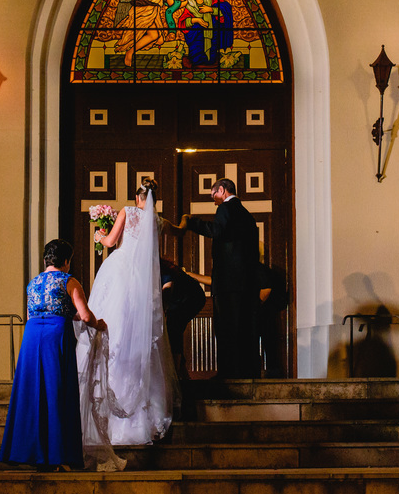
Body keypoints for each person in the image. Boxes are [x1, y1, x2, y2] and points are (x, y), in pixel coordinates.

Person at [75, 178, 174, 470]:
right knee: (137, 339)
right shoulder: (156, 222)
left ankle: (105, 415)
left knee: (113, 334)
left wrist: (100, 234)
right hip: (141, 282)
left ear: (137, 196)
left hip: (119, 275)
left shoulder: (128, 212)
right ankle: (141, 419)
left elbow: (109, 242)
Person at [0, 239, 104, 471]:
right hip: (56, 337)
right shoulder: (69, 280)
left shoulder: (33, 283)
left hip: (32, 336)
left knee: (32, 392)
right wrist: (100, 325)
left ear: (47, 260)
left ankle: (32, 454)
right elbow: (85, 316)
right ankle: (56, 456)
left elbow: (31, 315)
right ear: (66, 261)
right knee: (57, 392)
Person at [176, 178, 261, 378]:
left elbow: (217, 231)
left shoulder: (225, 208)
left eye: (213, 194)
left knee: (226, 330)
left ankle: (227, 375)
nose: (213, 200)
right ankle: (246, 374)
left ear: (221, 190)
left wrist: (191, 222)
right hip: (246, 284)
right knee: (244, 330)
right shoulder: (247, 216)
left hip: (227, 284)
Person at [159, 256, 207, 376]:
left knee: (173, 327)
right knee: (172, 329)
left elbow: (166, 292)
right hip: (176, 300)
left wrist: (162, 312)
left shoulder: (163, 271)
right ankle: (181, 371)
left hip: (191, 297)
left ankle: (175, 373)